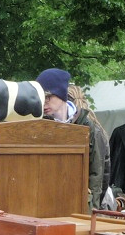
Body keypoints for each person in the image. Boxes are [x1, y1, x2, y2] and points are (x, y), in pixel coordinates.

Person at [39, 74, 111, 212]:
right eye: (41, 98)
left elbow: (99, 176)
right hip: (46, 204)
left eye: (48, 97)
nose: (44, 102)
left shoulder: (90, 129)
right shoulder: (38, 126)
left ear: (61, 94)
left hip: (80, 206)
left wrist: (91, 211)